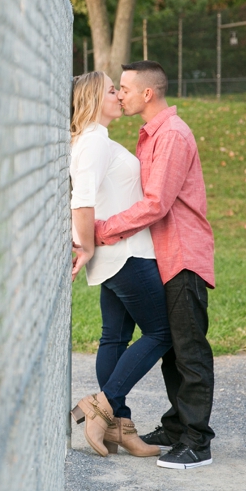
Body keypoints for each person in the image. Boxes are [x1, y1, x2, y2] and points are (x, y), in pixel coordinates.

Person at [94, 60, 216, 470]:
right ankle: (176, 426)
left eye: (124, 88)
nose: (120, 94)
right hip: (160, 255)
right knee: (172, 349)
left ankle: (197, 442)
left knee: (190, 350)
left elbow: (156, 204)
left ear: (148, 93)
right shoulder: (151, 136)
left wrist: (104, 229)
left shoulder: (173, 136)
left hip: (182, 255)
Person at [69, 71, 172, 458]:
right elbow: (82, 200)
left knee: (113, 337)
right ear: (95, 99)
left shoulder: (92, 140)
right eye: (112, 90)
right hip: (127, 254)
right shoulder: (94, 141)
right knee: (161, 333)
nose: (118, 95)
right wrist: (89, 246)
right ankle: (102, 406)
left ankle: (120, 429)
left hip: (117, 254)